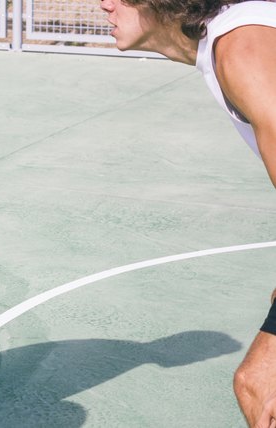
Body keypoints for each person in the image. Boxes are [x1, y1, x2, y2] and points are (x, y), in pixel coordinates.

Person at [99, 0, 276, 426]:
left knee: (261, 387)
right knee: (259, 386)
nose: (104, 5)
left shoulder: (241, 46)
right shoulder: (238, 38)